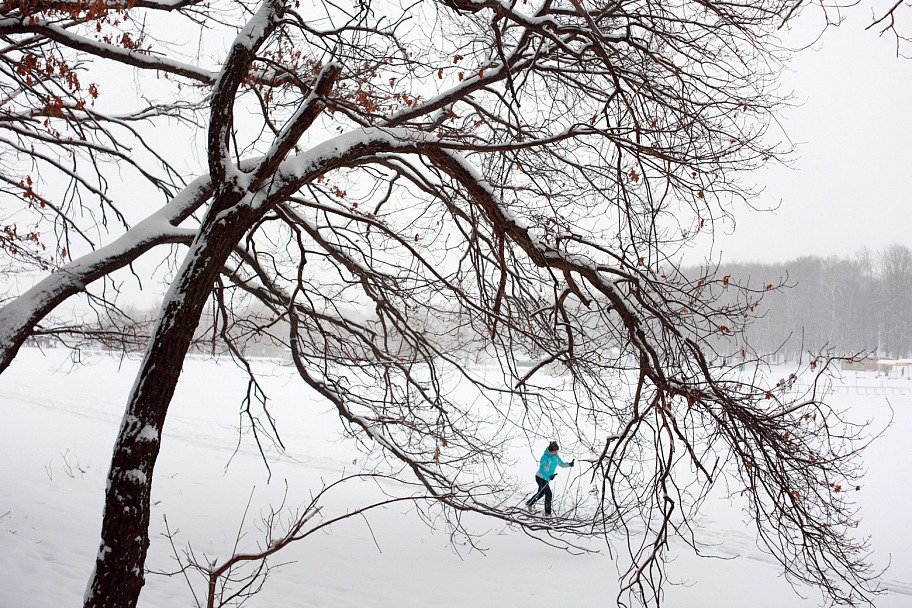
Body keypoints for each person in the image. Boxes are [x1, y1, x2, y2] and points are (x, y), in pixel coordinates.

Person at [525, 441, 573, 516]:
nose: (556, 453)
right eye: (555, 451)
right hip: (540, 477)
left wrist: (569, 464)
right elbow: (541, 470)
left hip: (547, 478)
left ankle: (529, 503)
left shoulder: (556, 456)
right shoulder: (545, 457)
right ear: (550, 451)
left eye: (557, 451)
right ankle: (547, 513)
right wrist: (549, 476)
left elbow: (561, 464)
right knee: (548, 494)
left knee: (541, 493)